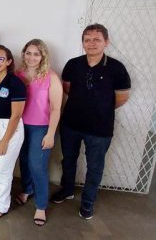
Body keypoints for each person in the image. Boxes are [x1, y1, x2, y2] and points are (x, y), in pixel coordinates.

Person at [51, 23, 131, 220]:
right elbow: (67, 88)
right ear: (83, 43)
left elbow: (121, 97)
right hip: (71, 124)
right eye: (87, 39)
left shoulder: (117, 68)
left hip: (100, 129)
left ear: (106, 42)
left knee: (95, 167)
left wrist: (99, 109)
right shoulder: (73, 64)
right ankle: (67, 190)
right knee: (68, 160)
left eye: (97, 39)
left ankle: (87, 204)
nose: (92, 43)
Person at [15, 39, 63, 226]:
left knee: (37, 166)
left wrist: (51, 133)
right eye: (28, 53)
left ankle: (41, 205)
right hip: (19, 126)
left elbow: (56, 108)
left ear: (42, 56)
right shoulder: (17, 75)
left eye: (36, 54)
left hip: (41, 128)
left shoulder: (51, 77)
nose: (32, 57)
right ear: (24, 54)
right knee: (24, 162)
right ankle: (27, 190)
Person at [0, 45, 26, 220]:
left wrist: (5, 140)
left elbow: (16, 115)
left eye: (1, 59)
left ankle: (1, 207)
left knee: (2, 170)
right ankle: (1, 200)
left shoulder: (15, 83)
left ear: (8, 61)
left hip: (10, 129)